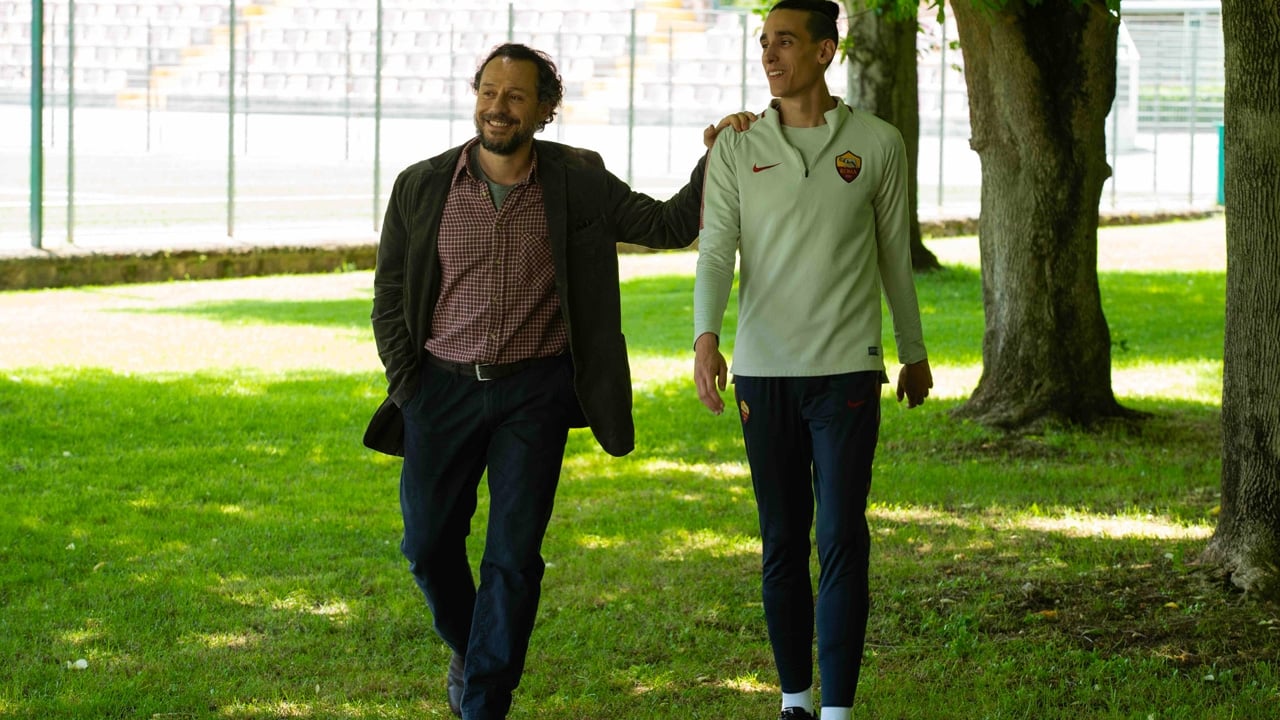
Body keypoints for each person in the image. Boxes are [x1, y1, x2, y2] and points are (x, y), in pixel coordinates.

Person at [365, 43, 731, 720]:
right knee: (426, 547)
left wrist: (715, 157)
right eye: (488, 92)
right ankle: (474, 648)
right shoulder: (422, 185)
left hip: (532, 395)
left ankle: (484, 703)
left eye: (515, 96)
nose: (497, 107)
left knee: (513, 556)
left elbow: (667, 224)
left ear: (545, 109)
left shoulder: (578, 180)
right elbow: (389, 295)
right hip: (439, 391)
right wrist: (408, 386)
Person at [692, 2, 934, 720]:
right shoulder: (736, 146)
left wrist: (913, 352)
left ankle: (838, 711)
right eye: (764, 42)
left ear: (826, 50)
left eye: (786, 41)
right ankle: (795, 700)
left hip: (847, 370)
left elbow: (894, 254)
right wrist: (706, 338)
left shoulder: (879, 143)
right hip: (763, 374)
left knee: (840, 536)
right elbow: (716, 251)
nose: (770, 55)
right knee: (781, 539)